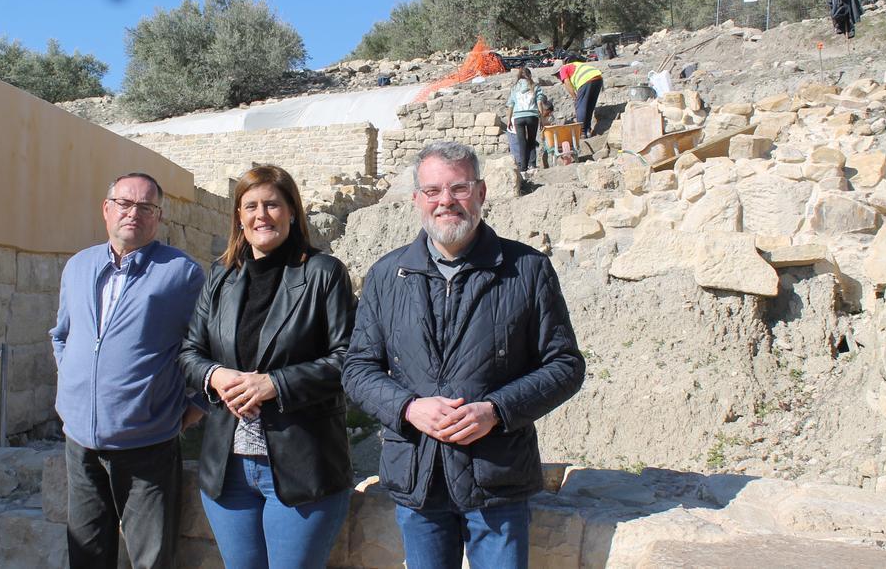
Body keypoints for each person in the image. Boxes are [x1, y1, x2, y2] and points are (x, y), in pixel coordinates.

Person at [342, 142, 585, 569]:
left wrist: (495, 410)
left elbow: (565, 365)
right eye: (433, 190)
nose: (446, 201)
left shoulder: (526, 269)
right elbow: (358, 369)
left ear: (482, 193)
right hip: (418, 478)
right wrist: (408, 408)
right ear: (417, 199)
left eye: (459, 188)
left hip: (497, 477)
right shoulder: (386, 274)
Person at [180, 164, 357, 569]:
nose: (262, 215)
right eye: (251, 206)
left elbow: (349, 359)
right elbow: (190, 352)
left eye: (273, 204)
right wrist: (215, 375)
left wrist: (274, 384)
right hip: (229, 471)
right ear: (239, 218)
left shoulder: (323, 274)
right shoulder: (221, 276)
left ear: (292, 211)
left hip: (302, 468)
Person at [51, 172, 206, 569]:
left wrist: (197, 404)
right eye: (124, 203)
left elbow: (212, 346)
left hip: (147, 444)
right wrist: (74, 388)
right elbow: (62, 335)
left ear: (158, 216)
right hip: (80, 443)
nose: (133, 213)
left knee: (151, 558)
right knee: (86, 554)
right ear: (107, 209)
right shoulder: (78, 266)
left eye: (145, 207)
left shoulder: (183, 274)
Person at [504, 67, 541, 173]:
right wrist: (541, 118)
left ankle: (523, 167)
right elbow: (539, 102)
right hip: (532, 116)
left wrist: (509, 120)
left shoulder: (514, 88)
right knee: (531, 140)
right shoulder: (535, 86)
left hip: (518, 118)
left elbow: (510, 105)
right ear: (530, 75)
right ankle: (532, 164)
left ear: (519, 76)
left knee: (522, 142)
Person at [555, 59, 603, 139]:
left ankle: (581, 132)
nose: (558, 78)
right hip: (598, 78)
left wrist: (575, 97)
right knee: (589, 106)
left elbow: (567, 83)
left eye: (557, 76)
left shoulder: (563, 69)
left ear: (558, 72)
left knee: (580, 106)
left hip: (586, 80)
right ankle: (587, 130)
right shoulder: (575, 64)